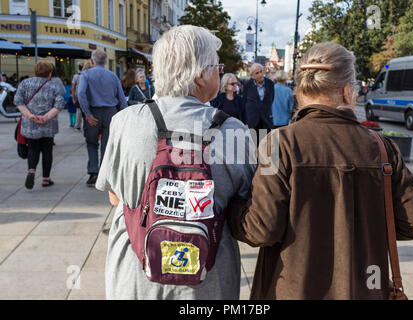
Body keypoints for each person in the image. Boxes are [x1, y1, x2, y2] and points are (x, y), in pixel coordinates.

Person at [226, 42, 413, 300]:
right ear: (348, 92)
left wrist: (232, 208)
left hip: (292, 288)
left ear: (300, 92)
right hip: (364, 289)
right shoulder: (383, 148)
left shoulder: (276, 144)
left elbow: (261, 228)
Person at [95, 25, 256, 300]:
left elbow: (113, 195)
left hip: (135, 279)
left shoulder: (124, 121)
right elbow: (251, 208)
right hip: (205, 284)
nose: (219, 70)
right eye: (217, 65)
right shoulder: (235, 132)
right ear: (199, 74)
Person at [77, 50, 128, 187]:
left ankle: (93, 172)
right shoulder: (113, 76)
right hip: (110, 113)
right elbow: (122, 99)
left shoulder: (86, 74)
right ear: (105, 62)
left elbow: (81, 94)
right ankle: (104, 174)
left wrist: (87, 114)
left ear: (92, 61)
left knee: (92, 143)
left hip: (93, 112)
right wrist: (123, 116)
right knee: (107, 144)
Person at [14, 60, 65, 189]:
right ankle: (46, 179)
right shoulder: (54, 86)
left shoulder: (25, 83)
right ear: (49, 73)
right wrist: (45, 117)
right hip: (48, 124)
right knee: (47, 150)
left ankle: (31, 171)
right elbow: (59, 105)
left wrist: (30, 115)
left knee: (33, 149)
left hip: (30, 123)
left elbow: (18, 101)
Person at [242, 63, 275, 144]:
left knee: (265, 147)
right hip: (252, 121)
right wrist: (245, 121)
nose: (260, 74)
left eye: (261, 71)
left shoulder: (270, 84)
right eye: (257, 73)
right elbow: (244, 102)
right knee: (253, 147)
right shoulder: (247, 86)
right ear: (252, 75)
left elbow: (272, 99)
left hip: (266, 121)